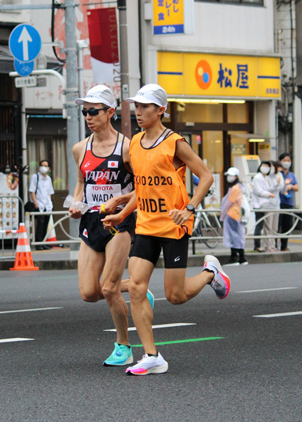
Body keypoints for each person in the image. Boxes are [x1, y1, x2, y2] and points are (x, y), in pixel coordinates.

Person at [102, 84, 231, 376]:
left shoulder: (174, 142)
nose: (139, 112)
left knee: (175, 296)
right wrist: (122, 212)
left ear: (161, 110)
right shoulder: (134, 143)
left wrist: (190, 208)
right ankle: (151, 356)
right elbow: (142, 186)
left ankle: (211, 273)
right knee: (136, 287)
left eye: (145, 106)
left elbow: (207, 176)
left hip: (174, 225)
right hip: (146, 225)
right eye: (136, 106)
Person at [69, 85, 153, 367]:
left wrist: (120, 202)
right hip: (92, 220)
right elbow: (82, 182)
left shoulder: (129, 148)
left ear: (110, 113)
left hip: (121, 220)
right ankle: (137, 287)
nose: (88, 116)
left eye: (93, 111)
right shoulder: (79, 149)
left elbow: (143, 187)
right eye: (84, 112)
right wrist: (76, 204)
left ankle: (124, 346)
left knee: (108, 289)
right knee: (88, 292)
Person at [251, 160, 281, 252]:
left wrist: (276, 184)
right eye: (264, 165)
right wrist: (269, 194)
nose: (266, 167)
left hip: (267, 204)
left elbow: (268, 189)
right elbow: (258, 191)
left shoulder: (266, 178)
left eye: (267, 166)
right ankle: (258, 245)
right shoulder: (257, 177)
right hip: (259, 205)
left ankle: (271, 245)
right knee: (261, 226)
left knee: (269, 226)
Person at [221, 167, 248, 265]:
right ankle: (242, 258)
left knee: (233, 236)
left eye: (230, 175)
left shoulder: (235, 188)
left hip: (232, 214)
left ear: (236, 176)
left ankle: (234, 257)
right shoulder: (238, 187)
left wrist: (222, 215)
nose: (228, 177)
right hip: (237, 214)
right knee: (239, 235)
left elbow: (228, 202)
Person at [29, 159, 55, 250]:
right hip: (39, 204)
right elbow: (32, 191)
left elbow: (50, 192)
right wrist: (35, 202)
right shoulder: (35, 177)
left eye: (46, 166)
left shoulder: (48, 179)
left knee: (46, 224)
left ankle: (43, 242)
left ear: (48, 168)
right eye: (42, 165)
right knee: (40, 223)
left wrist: (50, 202)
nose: (44, 167)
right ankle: (38, 243)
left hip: (47, 205)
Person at [278, 153, 298, 251]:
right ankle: (274, 245)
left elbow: (297, 187)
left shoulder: (291, 175)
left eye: (288, 160)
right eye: (284, 160)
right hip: (279, 202)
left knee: (287, 225)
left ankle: (284, 245)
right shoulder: (278, 174)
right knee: (277, 225)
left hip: (289, 203)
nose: (286, 162)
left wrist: (291, 186)